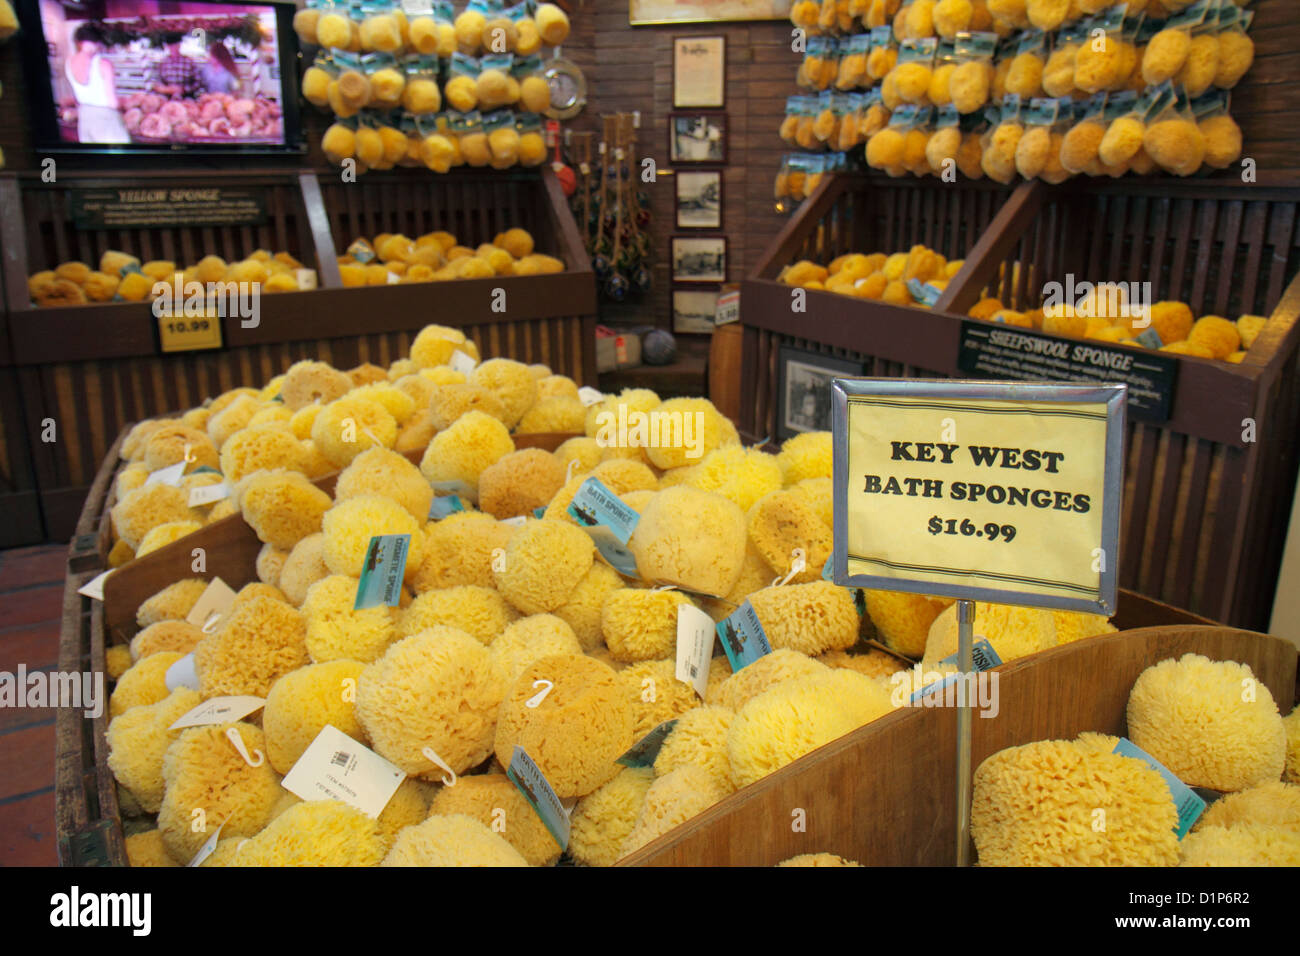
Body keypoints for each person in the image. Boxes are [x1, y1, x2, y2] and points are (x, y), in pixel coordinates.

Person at [64, 22, 129, 144]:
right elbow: (112, 103)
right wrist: (124, 103)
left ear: (78, 42)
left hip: (84, 116)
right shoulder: (103, 64)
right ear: (98, 42)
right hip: (105, 117)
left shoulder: (69, 62)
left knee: (95, 159)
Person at [152, 33, 201, 98]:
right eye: (171, 46)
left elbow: (198, 82)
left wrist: (183, 89)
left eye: (175, 46)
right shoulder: (163, 63)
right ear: (167, 47)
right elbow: (158, 82)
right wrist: (167, 89)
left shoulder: (189, 62)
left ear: (179, 45)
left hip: (186, 98)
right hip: (167, 98)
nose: (173, 48)